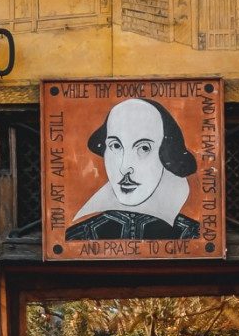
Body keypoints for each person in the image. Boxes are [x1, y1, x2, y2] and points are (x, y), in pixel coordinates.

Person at [65, 97, 200, 241]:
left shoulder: (193, 235)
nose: (125, 168)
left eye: (144, 148)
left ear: (167, 154)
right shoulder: (78, 236)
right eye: (115, 146)